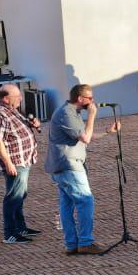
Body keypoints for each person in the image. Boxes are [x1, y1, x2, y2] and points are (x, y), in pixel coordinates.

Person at [44, 82, 118, 256]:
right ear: (80, 98)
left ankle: (72, 244)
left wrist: (108, 131)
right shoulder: (66, 113)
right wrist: (92, 115)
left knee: (67, 203)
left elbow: (84, 135)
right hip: (69, 165)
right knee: (86, 201)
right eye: (90, 98)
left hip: (65, 165)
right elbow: (85, 137)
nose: (93, 101)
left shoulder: (72, 112)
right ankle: (85, 242)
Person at [0, 82, 43, 245]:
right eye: (17, 96)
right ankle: (10, 233)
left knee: (20, 195)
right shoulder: (0, 113)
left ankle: (20, 227)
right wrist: (8, 163)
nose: (20, 98)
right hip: (15, 161)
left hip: (23, 159)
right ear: (6, 99)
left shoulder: (10, 110)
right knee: (13, 197)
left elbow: (18, 129)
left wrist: (33, 124)